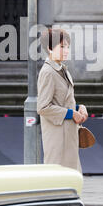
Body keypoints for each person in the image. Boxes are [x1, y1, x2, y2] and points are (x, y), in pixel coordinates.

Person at [37, 28, 88, 173]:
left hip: (68, 135)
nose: (66, 50)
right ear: (49, 48)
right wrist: (71, 113)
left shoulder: (62, 69)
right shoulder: (48, 72)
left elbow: (63, 101)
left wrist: (79, 107)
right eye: (62, 46)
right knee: (57, 179)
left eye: (67, 47)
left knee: (71, 178)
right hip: (57, 138)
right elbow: (43, 107)